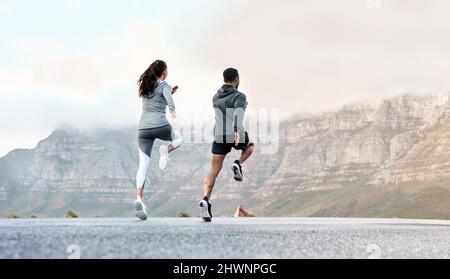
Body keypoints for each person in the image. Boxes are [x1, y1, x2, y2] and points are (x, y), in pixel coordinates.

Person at [199, 68, 254, 222]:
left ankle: (205, 199)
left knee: (214, 170)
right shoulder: (239, 95)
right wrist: (236, 129)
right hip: (234, 133)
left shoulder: (215, 97)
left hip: (218, 135)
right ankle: (238, 163)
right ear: (236, 79)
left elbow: (226, 111)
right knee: (250, 146)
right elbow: (237, 113)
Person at [134, 60, 183, 221]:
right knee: (179, 138)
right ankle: (166, 150)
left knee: (143, 165)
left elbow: (156, 98)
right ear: (164, 71)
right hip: (160, 126)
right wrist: (173, 110)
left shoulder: (146, 87)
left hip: (143, 130)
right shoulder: (165, 86)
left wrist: (170, 92)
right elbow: (167, 98)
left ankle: (139, 199)